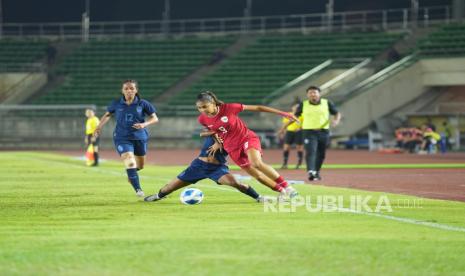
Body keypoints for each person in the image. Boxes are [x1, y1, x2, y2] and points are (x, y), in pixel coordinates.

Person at [196, 91, 299, 199]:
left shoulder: (230, 108)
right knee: (257, 175)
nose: (203, 110)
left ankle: (288, 187)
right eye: (199, 108)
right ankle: (282, 191)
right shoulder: (202, 119)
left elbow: (258, 108)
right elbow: (213, 131)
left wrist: (283, 114)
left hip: (246, 138)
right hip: (231, 148)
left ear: (213, 103)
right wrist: (217, 142)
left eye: (205, 106)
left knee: (256, 163)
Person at [144, 136, 264, 202]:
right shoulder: (215, 128)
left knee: (236, 183)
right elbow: (207, 131)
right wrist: (218, 142)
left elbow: (243, 151)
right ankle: (158, 196)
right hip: (198, 166)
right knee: (169, 187)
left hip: (217, 168)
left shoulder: (234, 139)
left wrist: (254, 154)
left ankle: (258, 197)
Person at [94, 79, 159, 197]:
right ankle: (138, 189)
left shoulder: (143, 103)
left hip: (140, 137)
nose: (129, 91)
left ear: (136, 90)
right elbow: (107, 114)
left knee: (140, 166)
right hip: (121, 137)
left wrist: (144, 124)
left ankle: (131, 173)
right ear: (122, 91)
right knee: (129, 160)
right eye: (126, 89)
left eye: (132, 88)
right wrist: (99, 127)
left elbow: (155, 118)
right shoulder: (116, 104)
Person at [293, 86, 341, 181]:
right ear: (307, 95)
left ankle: (316, 172)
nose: (312, 94)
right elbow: (295, 115)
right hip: (308, 131)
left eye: (314, 92)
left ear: (319, 94)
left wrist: (336, 120)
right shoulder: (303, 104)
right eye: (310, 93)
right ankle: (311, 171)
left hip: (323, 131)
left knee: (321, 153)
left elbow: (336, 113)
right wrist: (298, 123)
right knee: (311, 151)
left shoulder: (327, 103)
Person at [277, 103, 304, 169]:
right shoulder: (288, 115)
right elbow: (285, 124)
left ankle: (299, 164)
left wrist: (300, 128)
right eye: (295, 107)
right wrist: (283, 132)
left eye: (297, 107)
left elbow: (305, 124)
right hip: (289, 132)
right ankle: (285, 163)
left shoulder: (302, 115)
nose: (296, 108)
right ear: (292, 107)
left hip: (299, 132)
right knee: (286, 147)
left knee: (299, 148)